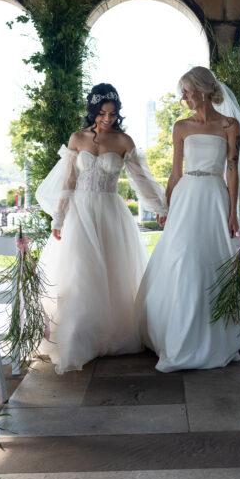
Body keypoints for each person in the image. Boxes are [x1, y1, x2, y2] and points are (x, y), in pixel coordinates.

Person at [35, 83, 168, 373]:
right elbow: (69, 180)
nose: (108, 118)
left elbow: (141, 180)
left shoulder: (123, 141)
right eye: (102, 113)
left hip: (110, 213)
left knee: (111, 274)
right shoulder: (77, 138)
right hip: (79, 213)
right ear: (93, 110)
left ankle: (109, 335)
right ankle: (79, 338)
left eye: (113, 113)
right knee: (80, 273)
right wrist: (59, 217)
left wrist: (161, 207)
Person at [135, 66, 240, 372]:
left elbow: (232, 170)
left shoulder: (230, 125)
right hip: (186, 197)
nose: (183, 98)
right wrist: (165, 206)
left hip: (215, 197)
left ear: (202, 91)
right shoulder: (181, 127)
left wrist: (233, 212)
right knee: (183, 259)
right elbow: (175, 172)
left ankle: (212, 337)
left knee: (213, 260)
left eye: (186, 92)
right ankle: (179, 336)